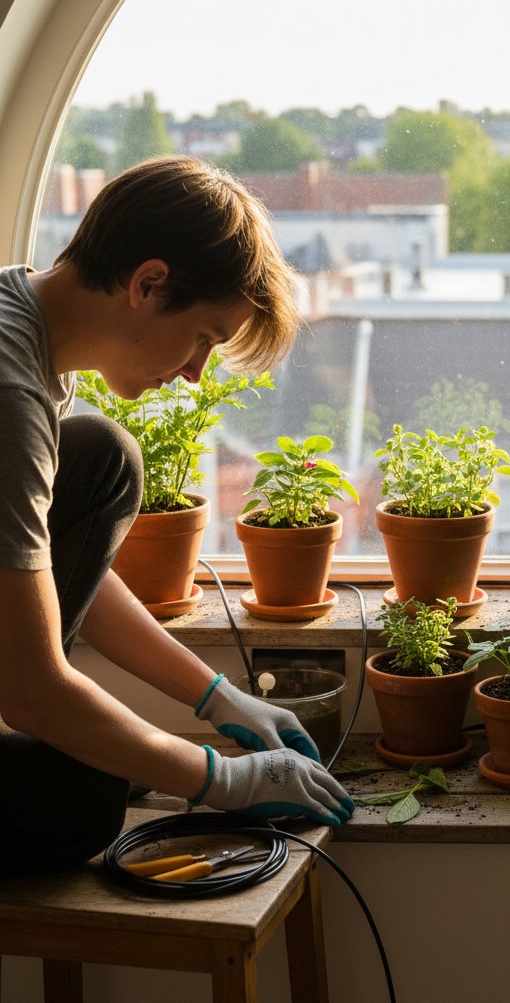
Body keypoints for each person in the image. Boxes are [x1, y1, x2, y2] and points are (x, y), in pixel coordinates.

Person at [0, 156, 353, 876]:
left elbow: (42, 571)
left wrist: (216, 697)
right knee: (85, 795)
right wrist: (220, 780)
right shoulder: (7, 394)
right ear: (148, 283)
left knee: (101, 458)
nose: (196, 371)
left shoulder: (27, 331)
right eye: (205, 337)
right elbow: (29, 686)